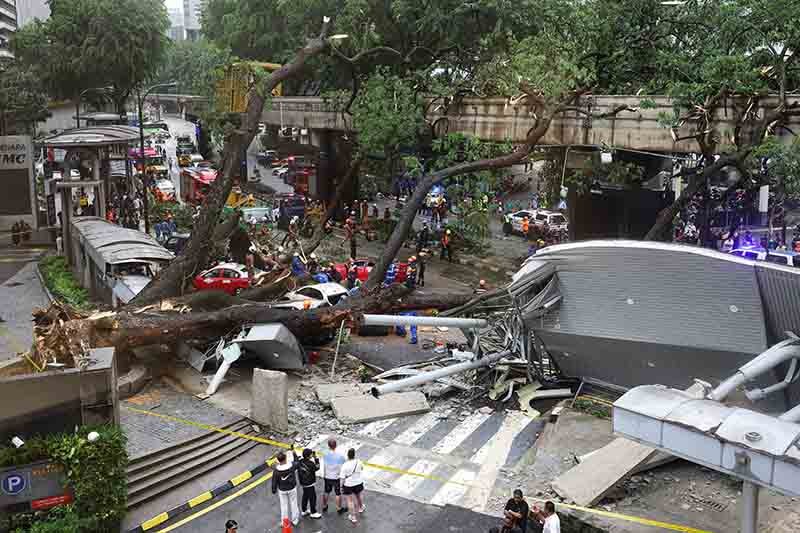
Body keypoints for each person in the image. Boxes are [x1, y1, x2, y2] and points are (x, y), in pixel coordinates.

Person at [271, 451, 301, 526]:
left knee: (284, 506)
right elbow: (297, 462)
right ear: (286, 458)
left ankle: (284, 522)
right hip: (292, 488)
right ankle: (295, 520)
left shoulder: (276, 470)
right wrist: (294, 454)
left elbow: (274, 481)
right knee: (294, 503)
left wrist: (274, 490)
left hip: (282, 490)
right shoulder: (291, 466)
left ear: (278, 460)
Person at [322, 438, 347, 514]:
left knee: (326, 491)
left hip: (327, 477)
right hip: (336, 477)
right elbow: (343, 467)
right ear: (336, 445)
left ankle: (324, 506)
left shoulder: (325, 455)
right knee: (337, 493)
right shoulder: (340, 456)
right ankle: (339, 508)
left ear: (328, 446)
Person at [340, 448, 365, 525]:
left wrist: (341, 486)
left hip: (348, 485)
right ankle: (361, 508)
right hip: (358, 482)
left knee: (350, 500)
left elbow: (342, 478)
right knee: (359, 495)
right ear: (354, 455)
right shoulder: (359, 461)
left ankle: (353, 517)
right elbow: (362, 468)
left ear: (348, 455)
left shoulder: (345, 465)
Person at [296, 448, 322, 519]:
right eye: (311, 454)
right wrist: (316, 459)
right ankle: (313, 512)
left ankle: (304, 510)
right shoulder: (311, 464)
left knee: (305, 496)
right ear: (308, 456)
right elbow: (317, 467)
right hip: (310, 483)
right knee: (312, 497)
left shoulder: (300, 461)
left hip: (303, 483)